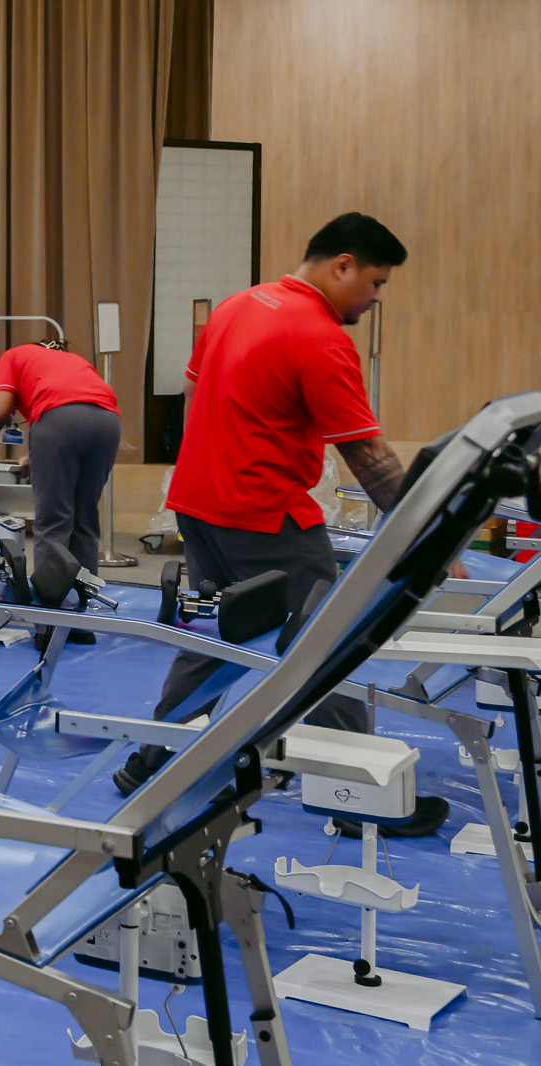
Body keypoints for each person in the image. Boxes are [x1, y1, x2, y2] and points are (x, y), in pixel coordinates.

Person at [112, 211, 446, 835]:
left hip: (198, 501)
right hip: (264, 514)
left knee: (215, 638)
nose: (376, 298)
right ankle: (359, 796)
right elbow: (369, 458)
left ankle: (152, 763)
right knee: (329, 641)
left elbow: (192, 392)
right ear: (343, 265)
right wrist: (429, 536)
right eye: (376, 282)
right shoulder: (320, 337)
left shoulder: (237, 306)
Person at [0, 338, 122, 644]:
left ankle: (47, 627)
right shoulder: (73, 360)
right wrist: (36, 457)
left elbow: (0, 411)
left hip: (58, 420)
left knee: (54, 522)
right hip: (108, 422)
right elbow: (80, 412)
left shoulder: (13, 355)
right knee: (85, 521)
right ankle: (82, 624)